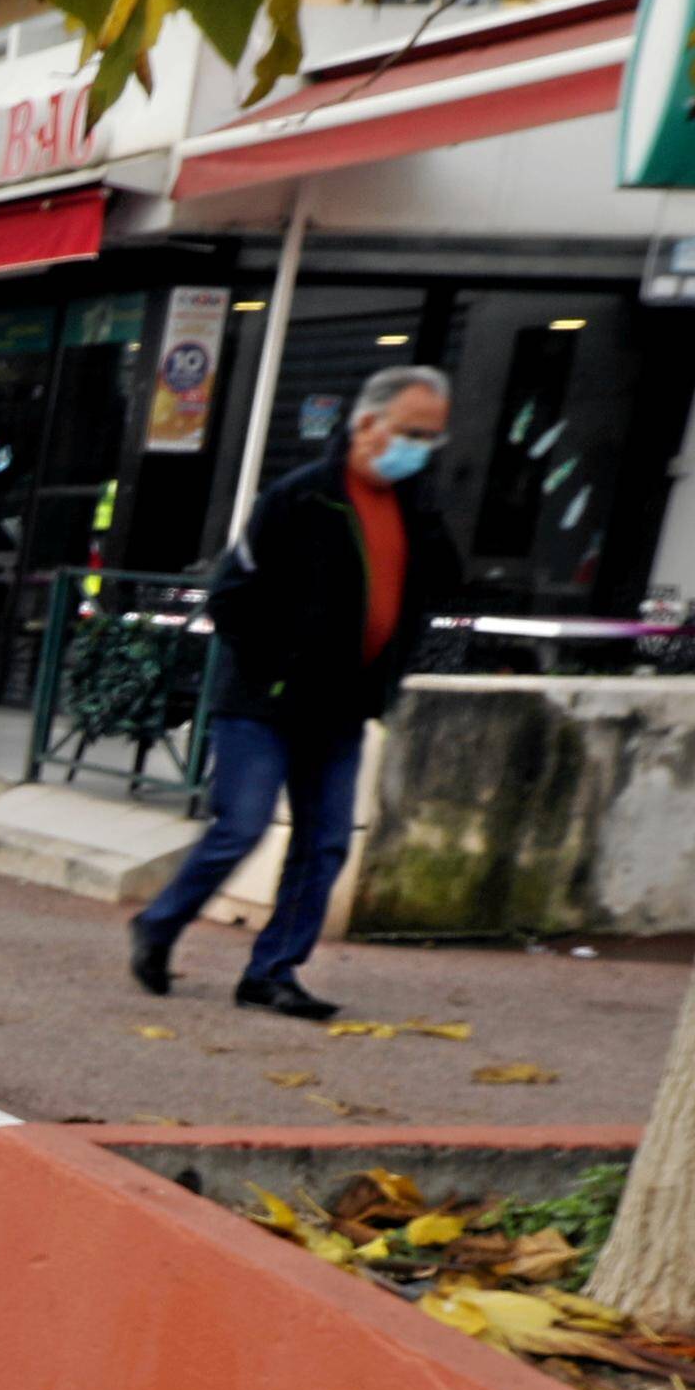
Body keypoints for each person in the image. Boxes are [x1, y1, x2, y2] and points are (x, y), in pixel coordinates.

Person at [131, 364, 463, 1020]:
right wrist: (280, 665)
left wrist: (427, 515)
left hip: (343, 708)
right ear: (366, 424)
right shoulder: (300, 497)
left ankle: (272, 973)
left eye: (431, 438)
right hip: (265, 701)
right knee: (242, 826)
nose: (419, 448)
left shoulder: (413, 507)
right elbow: (231, 596)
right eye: (410, 433)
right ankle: (159, 924)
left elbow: (444, 585)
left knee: (325, 843)